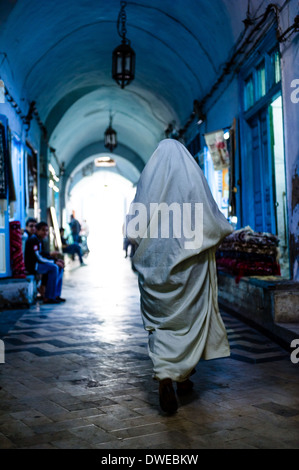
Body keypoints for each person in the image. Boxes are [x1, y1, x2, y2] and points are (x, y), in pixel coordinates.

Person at [126, 139, 233, 414]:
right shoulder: (193, 180)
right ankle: (183, 377)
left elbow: (134, 230)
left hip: (156, 265)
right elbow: (212, 221)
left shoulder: (149, 182)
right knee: (190, 319)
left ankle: (166, 374)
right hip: (191, 267)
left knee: (163, 325)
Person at [25, 221, 65, 304]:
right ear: (37, 230)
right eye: (43, 230)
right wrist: (54, 262)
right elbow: (38, 257)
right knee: (54, 268)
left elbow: (43, 254)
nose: (45, 233)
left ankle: (56, 295)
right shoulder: (33, 240)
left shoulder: (40, 240)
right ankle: (48, 297)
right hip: (34, 266)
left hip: (39, 264)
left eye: (46, 230)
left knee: (60, 267)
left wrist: (57, 260)